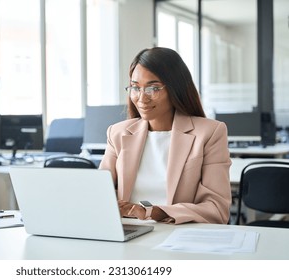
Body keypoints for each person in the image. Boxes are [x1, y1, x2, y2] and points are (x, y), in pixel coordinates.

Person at [99, 47, 232, 224]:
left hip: (179, 235)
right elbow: (98, 195)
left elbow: (217, 209)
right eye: (135, 87)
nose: (141, 98)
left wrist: (152, 212)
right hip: (128, 233)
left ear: (175, 88)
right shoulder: (117, 133)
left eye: (153, 88)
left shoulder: (209, 133)